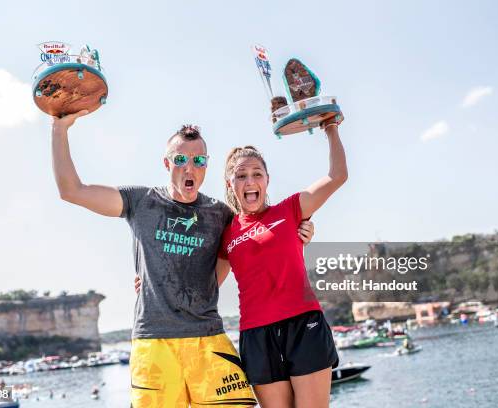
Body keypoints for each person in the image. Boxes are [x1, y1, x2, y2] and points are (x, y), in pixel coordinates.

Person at [50, 111, 314, 407]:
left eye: (199, 161)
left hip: (208, 338)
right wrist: (59, 127)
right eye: (180, 159)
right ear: (167, 163)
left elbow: (260, 234)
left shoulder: (219, 214)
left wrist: (300, 229)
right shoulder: (141, 202)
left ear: (206, 166)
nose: (190, 167)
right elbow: (72, 191)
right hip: (155, 342)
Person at [216, 116, 347, 408]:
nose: (250, 181)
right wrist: (152, 283)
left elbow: (337, 175)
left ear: (267, 179)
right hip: (257, 335)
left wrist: (330, 128)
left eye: (257, 174)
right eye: (241, 176)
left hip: (304, 326)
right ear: (230, 183)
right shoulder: (226, 232)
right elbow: (206, 286)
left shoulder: (291, 210)